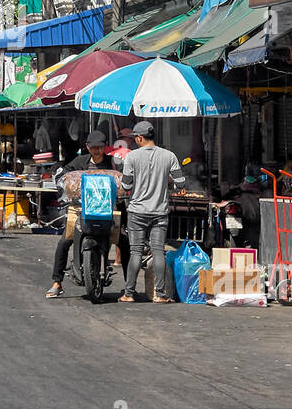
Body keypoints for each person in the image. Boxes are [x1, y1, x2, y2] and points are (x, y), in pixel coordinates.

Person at [45, 131, 125, 299]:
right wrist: (67, 184)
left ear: (105, 148)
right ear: (87, 147)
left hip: (107, 211)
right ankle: (57, 283)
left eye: (100, 147)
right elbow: (63, 174)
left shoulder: (113, 163)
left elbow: (126, 178)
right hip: (81, 210)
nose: (97, 151)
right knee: (64, 242)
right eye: (93, 147)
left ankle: (129, 287)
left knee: (124, 241)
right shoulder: (79, 162)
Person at [119, 121, 187, 304]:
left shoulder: (131, 157)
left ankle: (129, 293)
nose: (135, 141)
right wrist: (168, 181)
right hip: (159, 211)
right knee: (158, 251)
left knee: (135, 252)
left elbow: (126, 186)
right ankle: (161, 294)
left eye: (136, 138)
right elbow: (181, 183)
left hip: (137, 212)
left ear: (140, 137)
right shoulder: (169, 156)